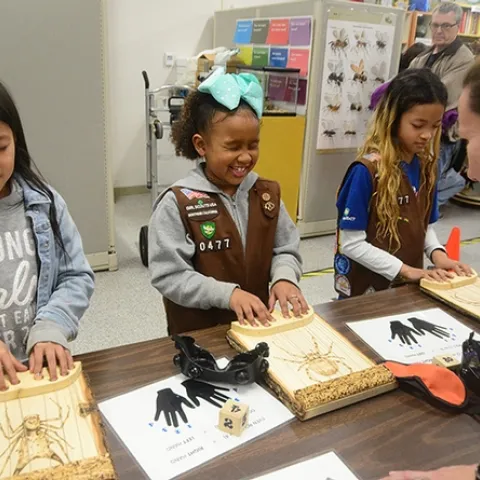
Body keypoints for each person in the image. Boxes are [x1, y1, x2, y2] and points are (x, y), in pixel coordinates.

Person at [378, 56, 480, 480]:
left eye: (465, 137)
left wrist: (431, 257)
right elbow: (352, 243)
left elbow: (428, 226)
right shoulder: (370, 169)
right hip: (378, 290)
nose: (465, 163)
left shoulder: (428, 167)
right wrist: (416, 269)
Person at [148, 67, 307, 335]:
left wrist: (284, 278)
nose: (245, 157)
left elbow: (286, 248)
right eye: (233, 147)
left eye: (252, 145)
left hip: (254, 328)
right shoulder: (178, 202)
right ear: (201, 146)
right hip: (198, 334)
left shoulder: (267, 194)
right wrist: (228, 295)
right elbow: (169, 275)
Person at [334, 69, 472, 299]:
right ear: (393, 119)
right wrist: (406, 271)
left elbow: (423, 226)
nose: (427, 135)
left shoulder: (427, 168)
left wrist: (438, 255)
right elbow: (351, 244)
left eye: (435, 126)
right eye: (418, 125)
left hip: (407, 288)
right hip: (365, 294)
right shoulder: (366, 172)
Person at [0, 81, 94, 390]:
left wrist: (51, 326)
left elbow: (76, 276)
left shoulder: (45, 203)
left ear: (17, 142)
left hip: (39, 373)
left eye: (1, 147)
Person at [409, 2, 474, 206]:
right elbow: (404, 83)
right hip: (417, 128)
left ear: (458, 26)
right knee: (415, 181)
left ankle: (426, 220)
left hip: (441, 136)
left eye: (446, 26)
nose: (439, 30)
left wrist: (410, 94)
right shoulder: (424, 55)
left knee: (427, 185)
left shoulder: (464, 59)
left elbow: (439, 96)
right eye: (435, 25)